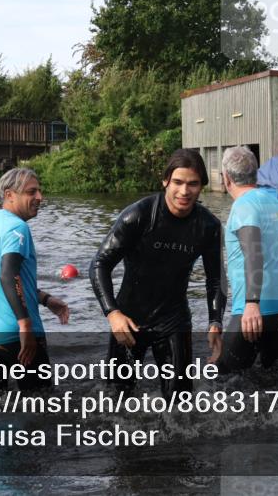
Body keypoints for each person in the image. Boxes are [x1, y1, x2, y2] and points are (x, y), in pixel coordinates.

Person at [89, 148, 225, 397]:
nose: (184, 191)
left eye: (193, 184)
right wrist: (113, 313)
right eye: (178, 182)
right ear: (165, 181)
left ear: (202, 186)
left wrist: (215, 321)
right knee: (117, 399)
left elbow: (215, 279)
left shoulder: (208, 226)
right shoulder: (138, 215)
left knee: (180, 402)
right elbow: (99, 264)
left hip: (174, 320)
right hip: (129, 319)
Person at [0, 167, 69, 390]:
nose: (39, 197)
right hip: (17, 333)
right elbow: (8, 275)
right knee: (43, 407)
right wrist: (25, 325)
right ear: (9, 195)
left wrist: (45, 299)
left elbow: (1, 280)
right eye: (31, 192)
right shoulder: (18, 227)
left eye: (39, 191)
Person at [213, 146, 278, 373]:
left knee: (223, 379)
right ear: (255, 174)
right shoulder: (277, 204)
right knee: (275, 378)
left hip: (254, 309)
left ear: (226, 177)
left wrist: (252, 303)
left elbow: (253, 253)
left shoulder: (243, 206)